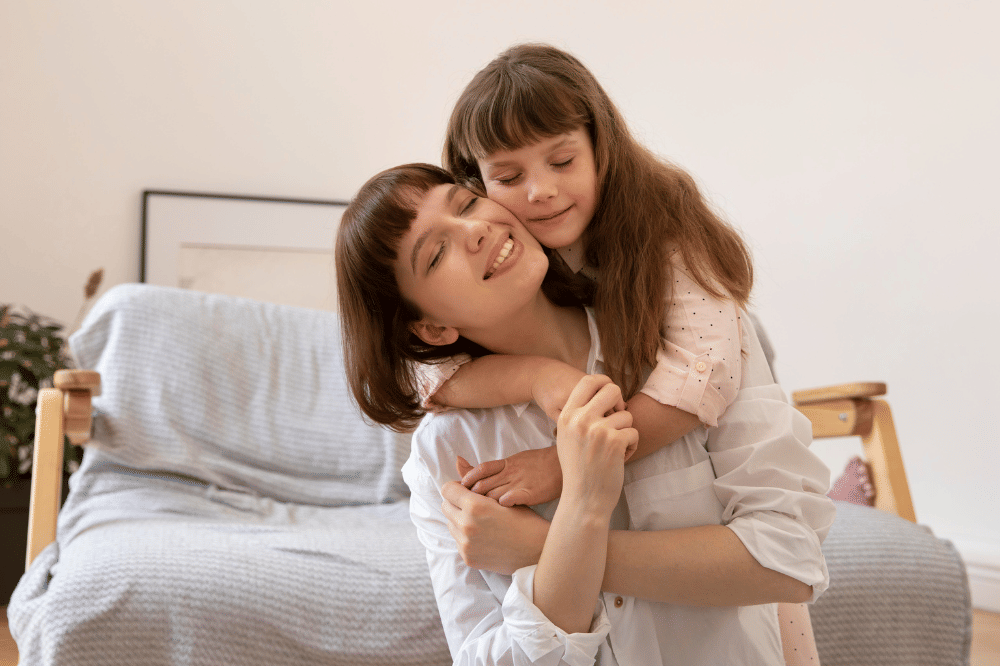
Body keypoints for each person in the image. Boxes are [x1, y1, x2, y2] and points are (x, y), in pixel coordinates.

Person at [335, 162, 834, 665]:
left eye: (465, 204)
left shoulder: (693, 342)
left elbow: (789, 557)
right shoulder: (446, 456)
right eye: (437, 253)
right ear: (434, 329)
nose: (476, 229)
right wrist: (581, 510)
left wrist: (551, 544)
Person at [431, 43, 824, 663]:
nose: (540, 192)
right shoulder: (513, 270)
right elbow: (425, 379)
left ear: (601, 147)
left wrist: (566, 470)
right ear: (476, 183)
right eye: (507, 178)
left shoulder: (665, 231)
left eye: (562, 160)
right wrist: (537, 377)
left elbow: (701, 382)